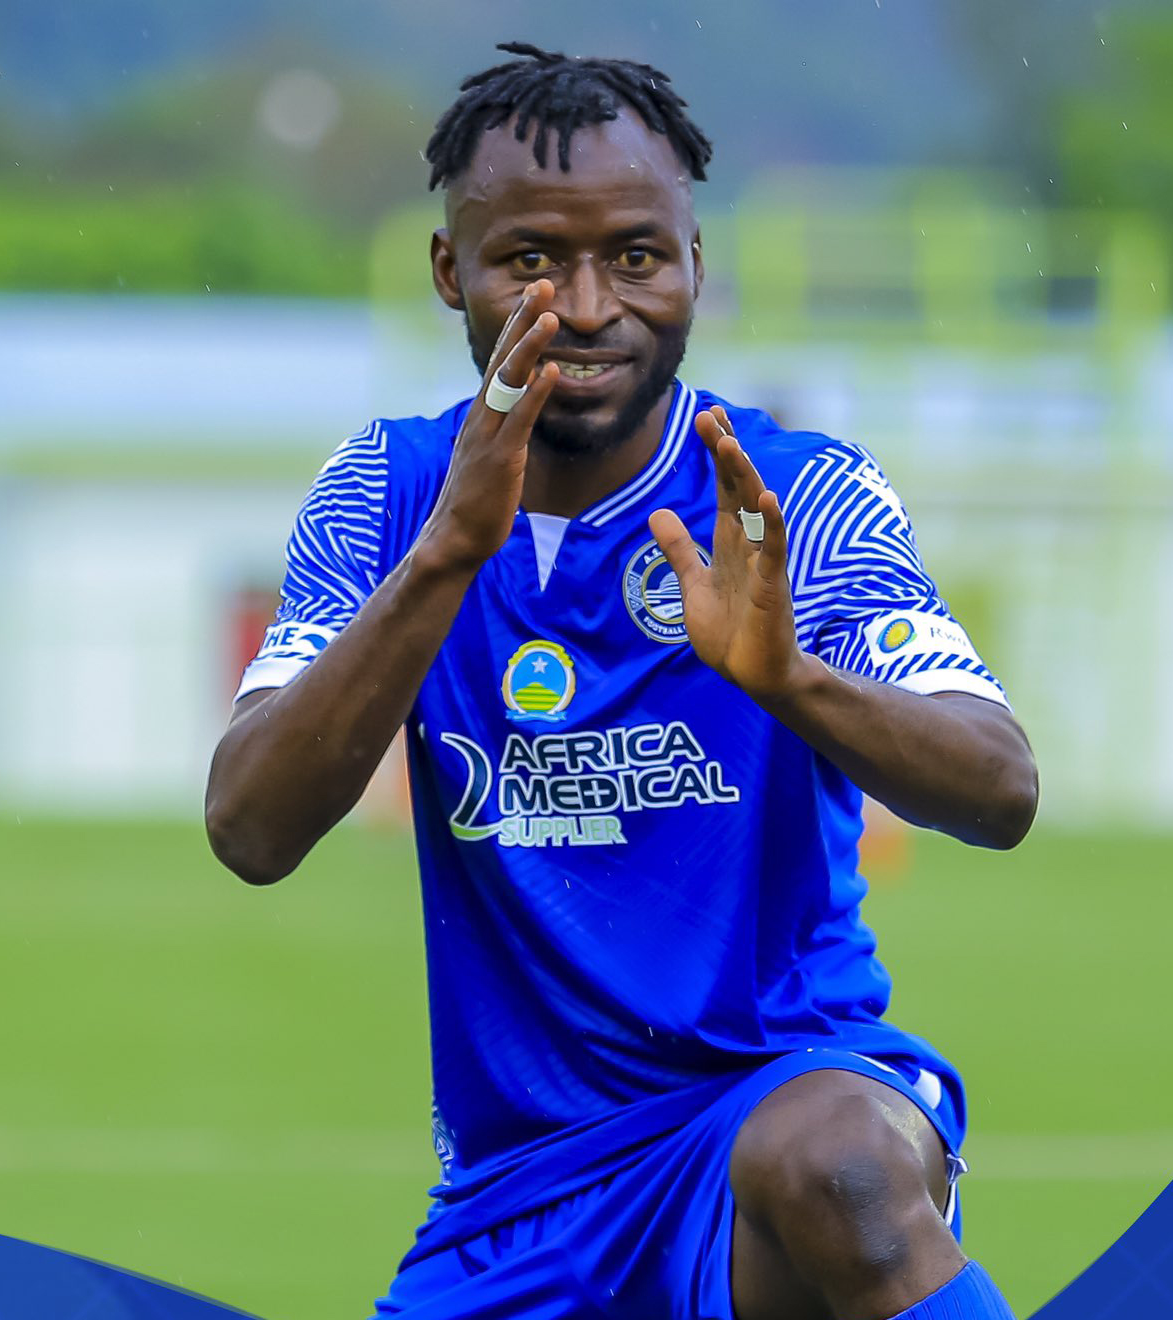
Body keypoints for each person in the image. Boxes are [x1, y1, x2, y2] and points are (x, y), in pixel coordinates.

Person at [206, 42, 1038, 1320]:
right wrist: (444, 563)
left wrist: (792, 683)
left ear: (696, 264)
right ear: (450, 272)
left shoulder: (789, 497)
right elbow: (250, 829)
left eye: (635, 257)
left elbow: (997, 788)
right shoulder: (386, 494)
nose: (587, 305)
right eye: (530, 258)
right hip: (517, 1195)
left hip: (772, 1103)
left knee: (845, 1171)